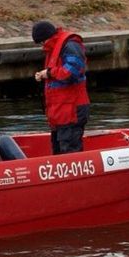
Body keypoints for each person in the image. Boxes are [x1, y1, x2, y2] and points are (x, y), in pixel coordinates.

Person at [32, 20, 90, 155]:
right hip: (60, 111)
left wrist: (49, 73)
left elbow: (72, 72)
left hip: (71, 110)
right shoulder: (55, 48)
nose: (42, 46)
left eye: (42, 42)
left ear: (47, 38)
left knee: (70, 149)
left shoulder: (70, 45)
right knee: (59, 150)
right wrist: (45, 74)